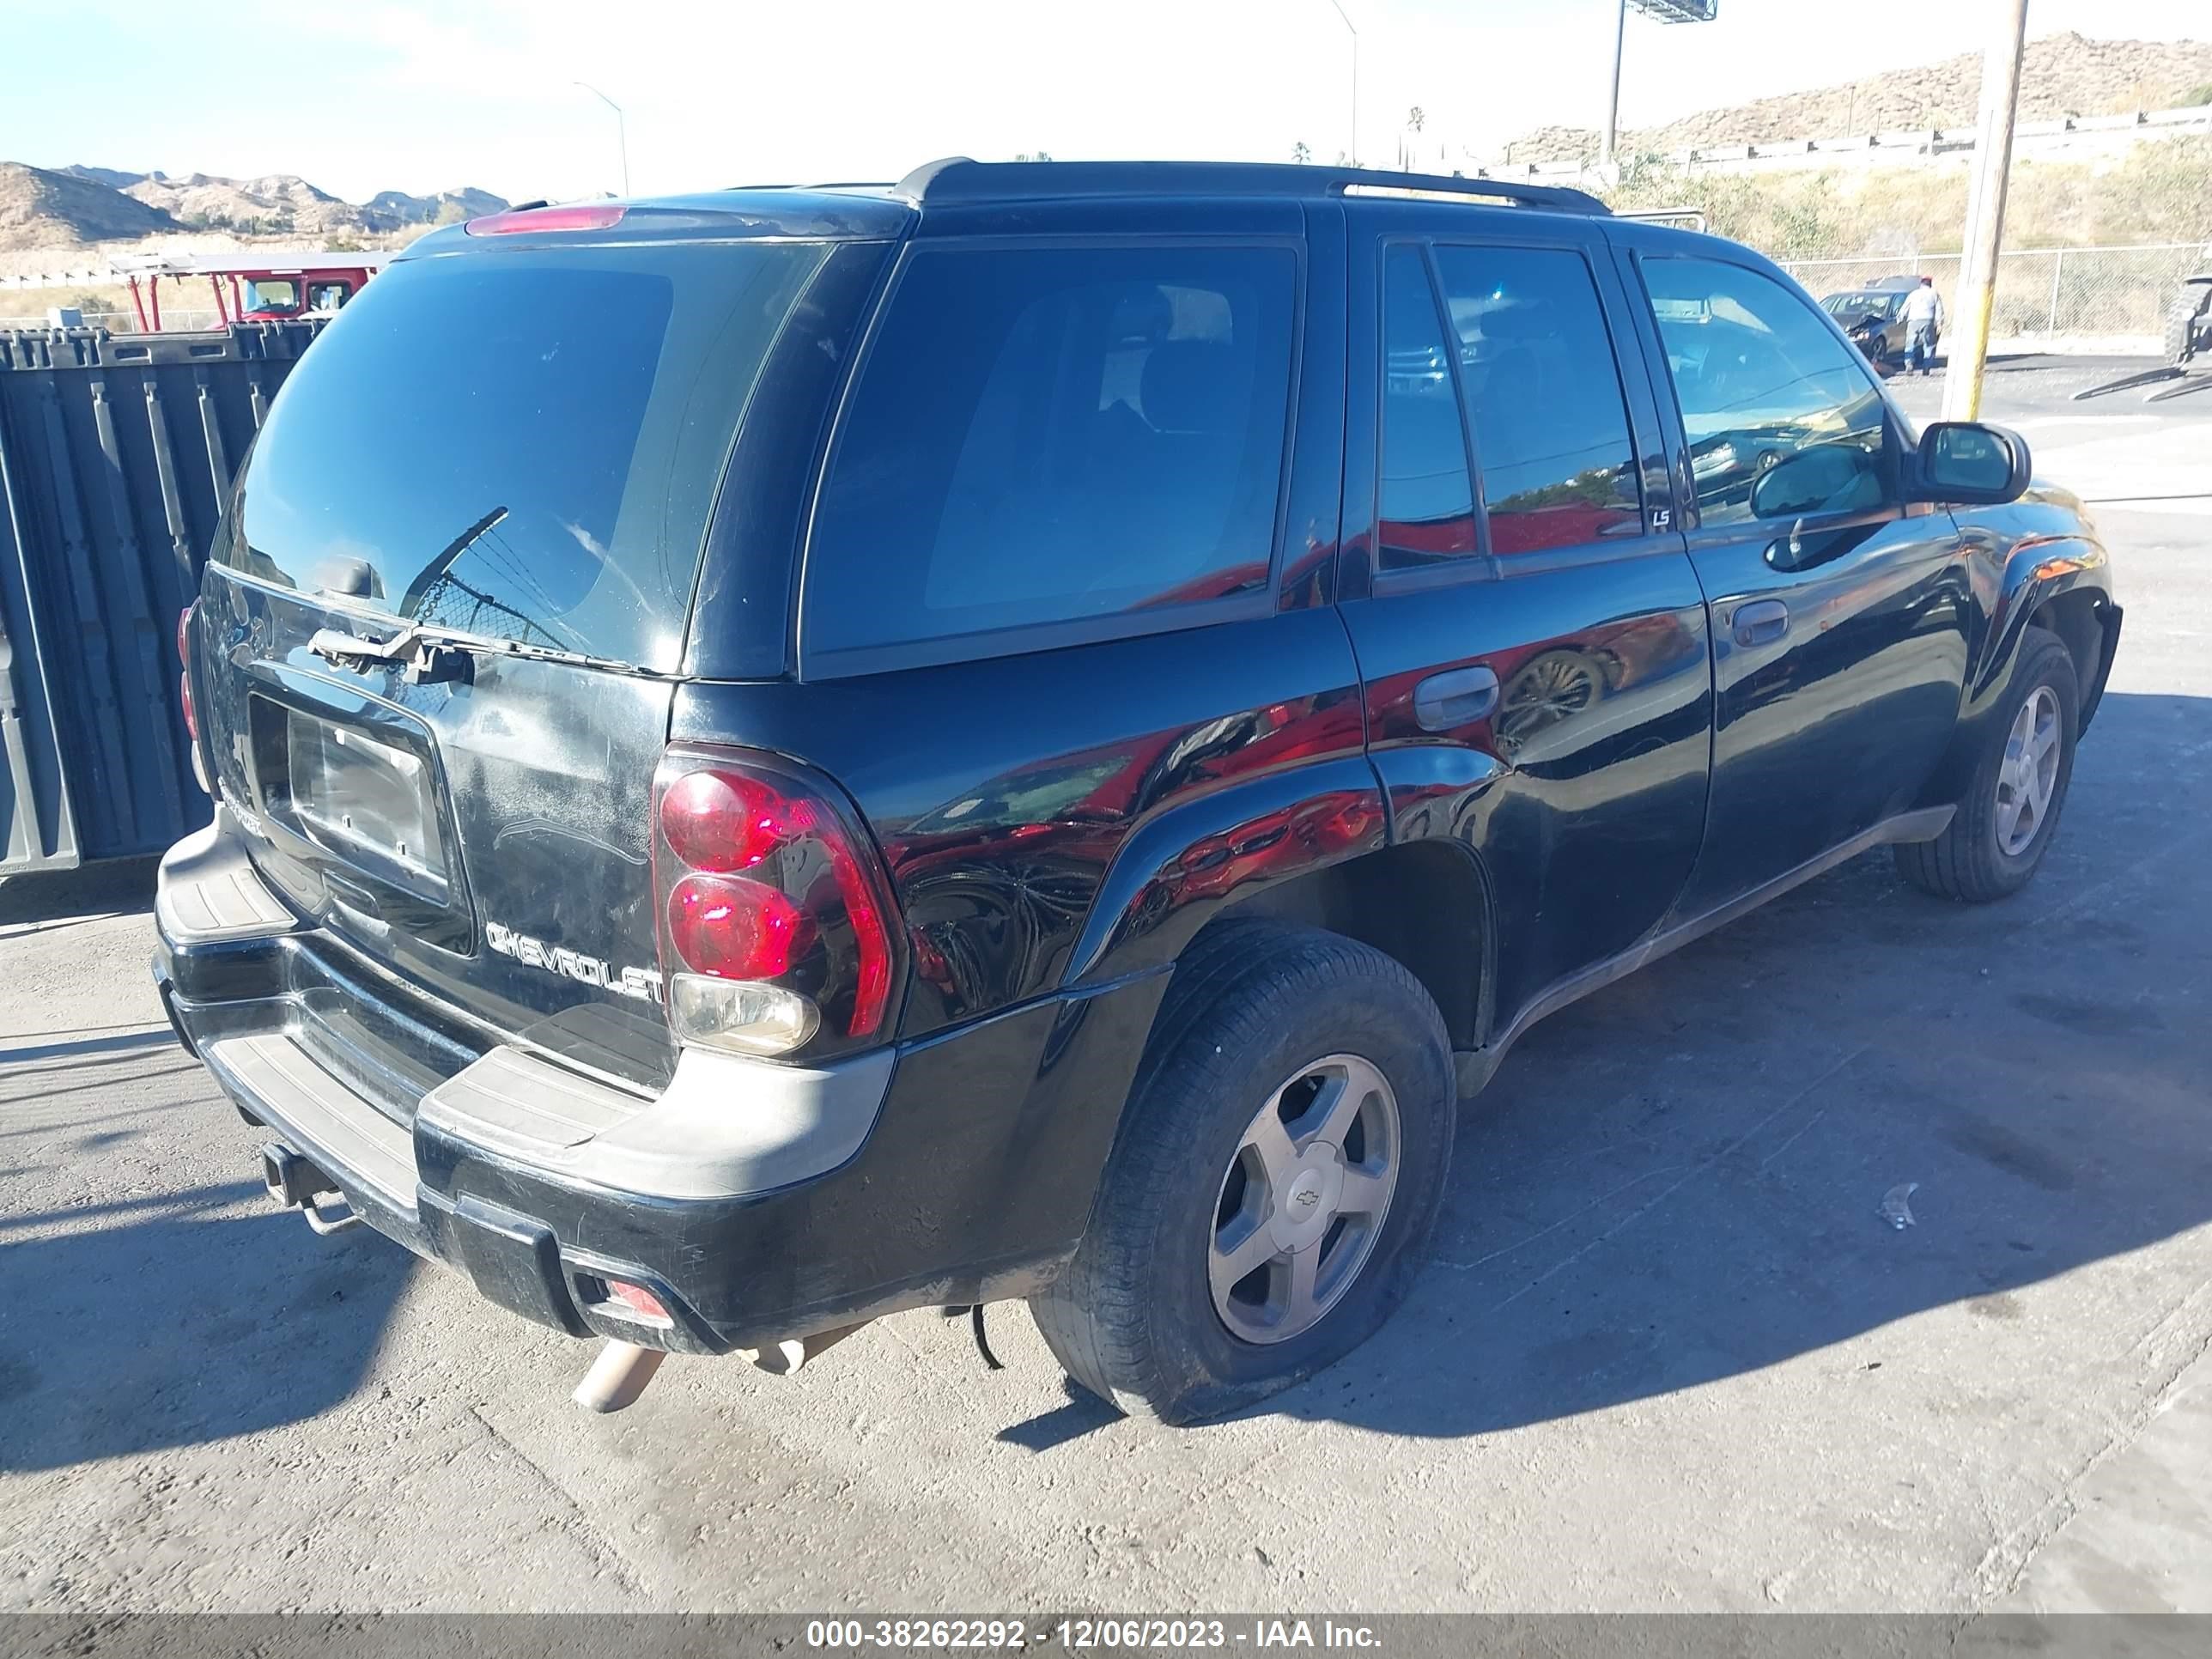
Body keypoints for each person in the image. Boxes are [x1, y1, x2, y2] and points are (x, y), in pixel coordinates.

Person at [1902, 276, 1945, 376]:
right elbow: (1939, 310)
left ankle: (1909, 365)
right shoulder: (1934, 294)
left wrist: (1900, 319)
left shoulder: (1914, 294)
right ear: (1930, 284)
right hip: (1927, 322)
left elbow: (1905, 307)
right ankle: (1926, 367)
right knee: (1929, 345)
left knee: (1910, 344)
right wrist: (1939, 323)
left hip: (1913, 321)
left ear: (1921, 284)